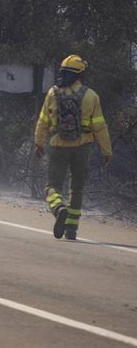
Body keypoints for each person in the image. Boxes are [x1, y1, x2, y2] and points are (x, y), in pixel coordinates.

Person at [33, 55, 113, 240]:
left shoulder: (53, 93)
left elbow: (43, 121)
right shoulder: (91, 96)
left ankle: (58, 208)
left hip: (57, 145)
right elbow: (100, 127)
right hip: (82, 146)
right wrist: (106, 151)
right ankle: (71, 231)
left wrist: (38, 142)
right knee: (76, 189)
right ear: (80, 74)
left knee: (52, 186)